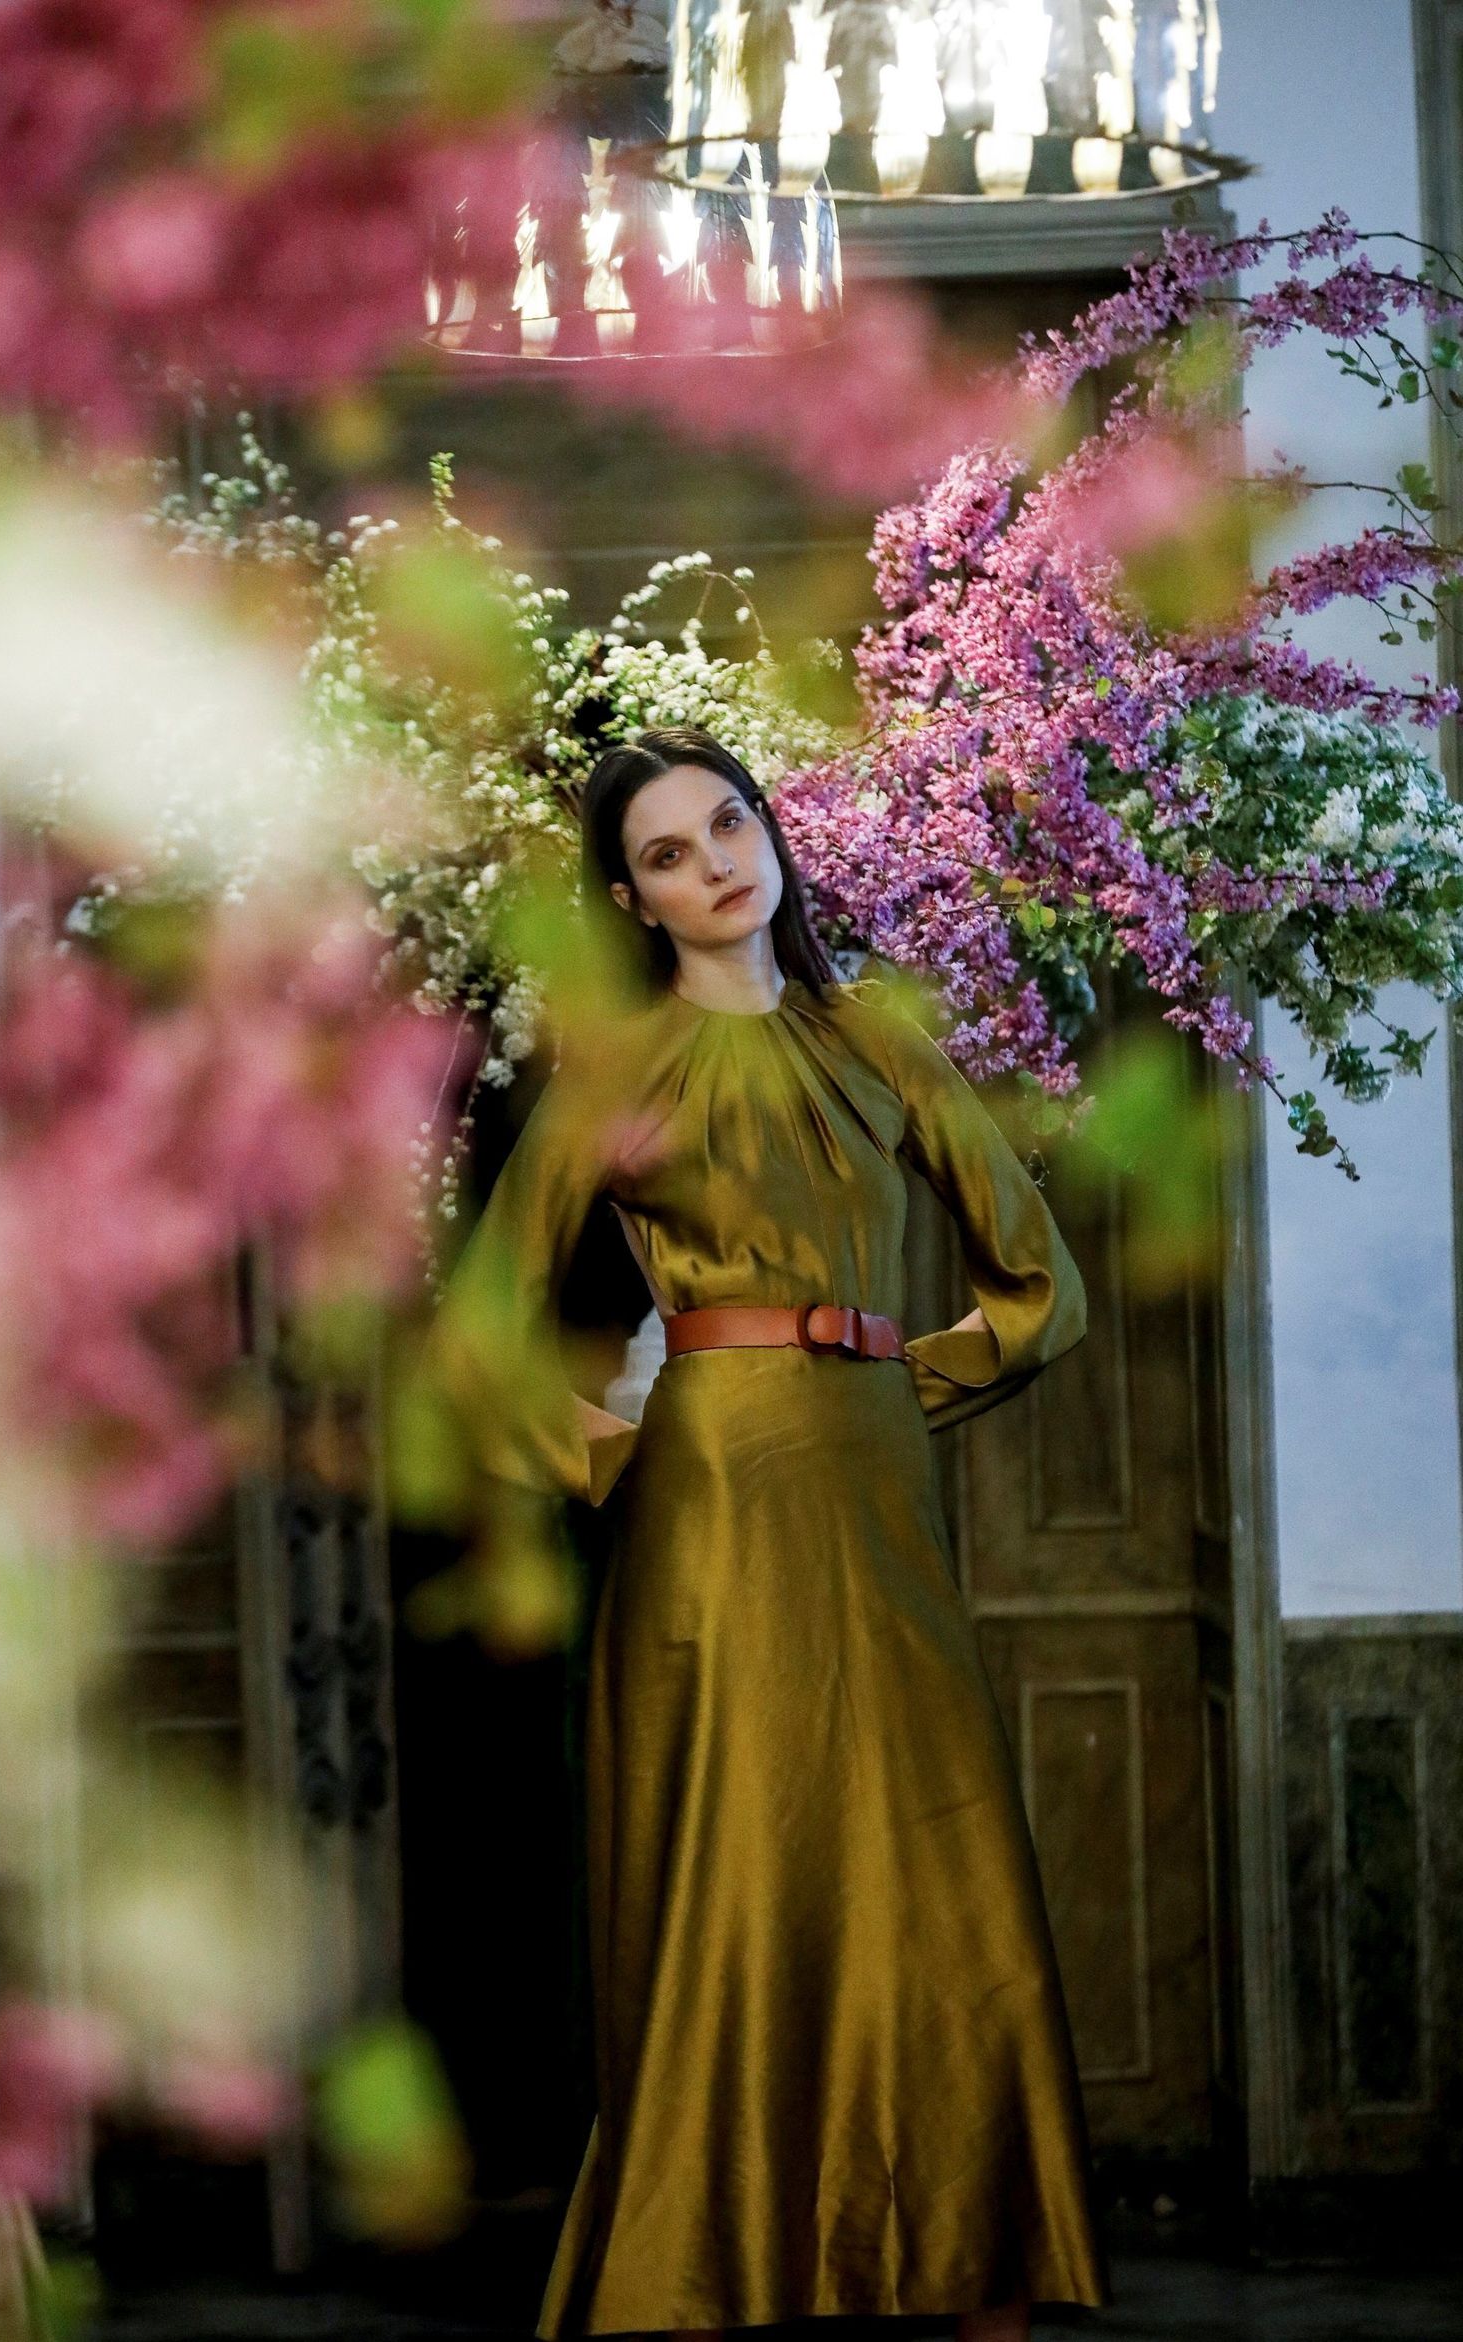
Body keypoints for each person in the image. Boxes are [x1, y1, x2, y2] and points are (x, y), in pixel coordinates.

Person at [426, 726, 1108, 2339]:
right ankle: (707, 2274)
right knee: (734, 1875)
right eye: (670, 853)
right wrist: (608, 1459)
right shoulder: (620, 1074)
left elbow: (1043, 1290)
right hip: (705, 1509)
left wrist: (880, 1382)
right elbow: (474, 1339)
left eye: (729, 822)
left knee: (932, 1872)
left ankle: (967, 2254)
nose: (717, 862)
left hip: (874, 1498)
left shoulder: (880, 1043)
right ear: (634, 899)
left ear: (768, 830)